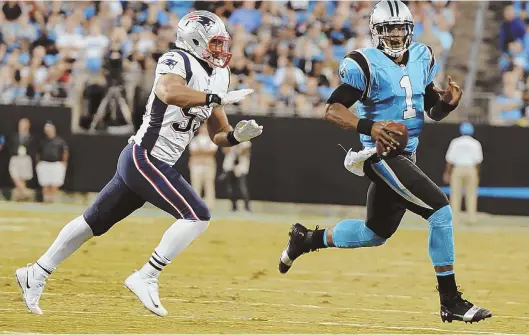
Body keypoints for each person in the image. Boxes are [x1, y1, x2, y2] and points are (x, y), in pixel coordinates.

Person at [16, 11, 263, 317]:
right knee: (197, 216)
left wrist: (237, 135)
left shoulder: (218, 75)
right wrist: (214, 97)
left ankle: (36, 272)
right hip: (145, 156)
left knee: (93, 222)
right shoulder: (177, 60)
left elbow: (218, 134)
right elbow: (168, 91)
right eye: (214, 43)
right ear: (195, 41)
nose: (219, 50)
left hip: (151, 162)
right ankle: (146, 275)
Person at [277, 0, 491, 324]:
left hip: (405, 154)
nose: (394, 34)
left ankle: (306, 239)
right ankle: (451, 300)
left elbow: (430, 108)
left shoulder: (423, 56)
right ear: (376, 32)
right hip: (379, 155)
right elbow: (333, 109)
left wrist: (446, 105)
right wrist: (371, 127)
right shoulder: (364, 63)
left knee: (374, 233)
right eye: (388, 28)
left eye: (399, 29)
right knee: (440, 210)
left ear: (409, 31)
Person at [443, 122, 483, 224]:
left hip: (458, 169)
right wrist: (477, 173)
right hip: (471, 169)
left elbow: (449, 160)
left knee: (455, 194)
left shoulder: (455, 142)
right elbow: (478, 161)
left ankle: (454, 219)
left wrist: (447, 173)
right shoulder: (475, 143)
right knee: (471, 194)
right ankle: (471, 218)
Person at [36, 122, 68, 203]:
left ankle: (52, 200)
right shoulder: (42, 141)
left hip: (56, 164)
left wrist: (64, 162)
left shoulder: (60, 141)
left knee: (55, 183)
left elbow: (65, 152)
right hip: (44, 164)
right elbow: (38, 153)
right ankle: (46, 200)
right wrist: (38, 163)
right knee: (45, 183)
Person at [188, 124, 218, 209]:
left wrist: (200, 151)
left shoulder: (212, 140)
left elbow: (212, 152)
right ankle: (195, 205)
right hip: (196, 166)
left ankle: (210, 206)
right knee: (196, 186)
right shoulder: (195, 140)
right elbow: (193, 152)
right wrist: (204, 152)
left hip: (209, 166)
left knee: (209, 186)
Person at [220, 141, 252, 212]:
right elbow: (225, 150)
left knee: (242, 188)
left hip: (241, 167)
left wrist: (237, 148)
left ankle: (247, 208)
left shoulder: (245, 140)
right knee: (231, 188)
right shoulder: (229, 139)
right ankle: (234, 208)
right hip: (230, 166)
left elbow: (245, 152)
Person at [8, 118, 35, 201]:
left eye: (24, 124)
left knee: (23, 177)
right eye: (21, 124)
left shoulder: (31, 137)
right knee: (14, 175)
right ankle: (26, 192)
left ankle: (21, 197)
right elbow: (9, 145)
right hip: (15, 158)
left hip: (26, 158)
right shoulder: (13, 136)